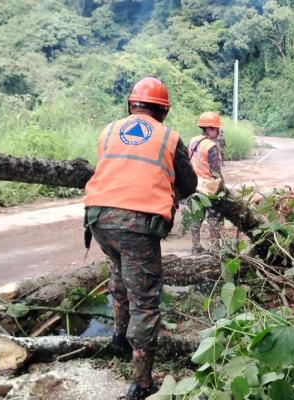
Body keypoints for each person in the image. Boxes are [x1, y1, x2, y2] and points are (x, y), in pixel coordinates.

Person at [83, 77, 197, 400]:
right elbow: (189, 185)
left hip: (98, 217)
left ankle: (118, 338)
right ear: (163, 111)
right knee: (145, 301)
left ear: (131, 105)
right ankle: (142, 383)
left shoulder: (107, 130)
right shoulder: (169, 138)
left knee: (119, 275)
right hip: (137, 224)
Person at [188, 111, 225, 252]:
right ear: (209, 128)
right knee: (214, 218)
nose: (218, 131)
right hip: (209, 187)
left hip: (194, 185)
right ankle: (215, 248)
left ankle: (195, 246)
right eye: (217, 129)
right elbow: (216, 172)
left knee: (196, 217)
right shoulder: (211, 146)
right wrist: (223, 188)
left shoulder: (193, 141)